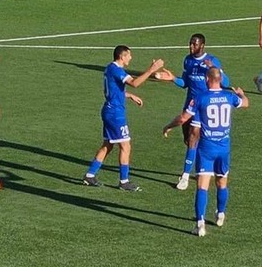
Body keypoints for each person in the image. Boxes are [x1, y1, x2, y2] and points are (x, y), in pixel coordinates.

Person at [163, 67, 249, 237]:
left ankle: (200, 224)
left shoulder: (200, 98)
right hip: (224, 148)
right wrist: (241, 93)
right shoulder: (229, 96)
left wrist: (168, 126)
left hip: (206, 149)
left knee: (202, 185)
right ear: (220, 79)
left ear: (207, 80)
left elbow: (183, 119)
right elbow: (246, 103)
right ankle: (220, 214)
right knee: (222, 183)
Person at [82, 46, 171, 191]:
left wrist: (129, 95)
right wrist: (151, 69)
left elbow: (113, 90)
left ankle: (90, 175)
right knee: (125, 146)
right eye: (129, 55)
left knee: (108, 145)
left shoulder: (110, 68)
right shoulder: (117, 70)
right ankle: (124, 181)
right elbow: (135, 83)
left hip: (109, 110)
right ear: (122, 56)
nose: (131, 58)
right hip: (115, 114)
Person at [169, 34, 230, 191]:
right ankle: (200, 170)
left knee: (193, 139)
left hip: (206, 108)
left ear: (202, 45)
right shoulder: (187, 60)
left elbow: (227, 83)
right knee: (189, 142)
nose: (191, 47)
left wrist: (212, 68)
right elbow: (185, 83)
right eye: (190, 44)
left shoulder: (212, 60)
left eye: (194, 44)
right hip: (190, 106)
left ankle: (185, 177)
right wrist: (172, 78)